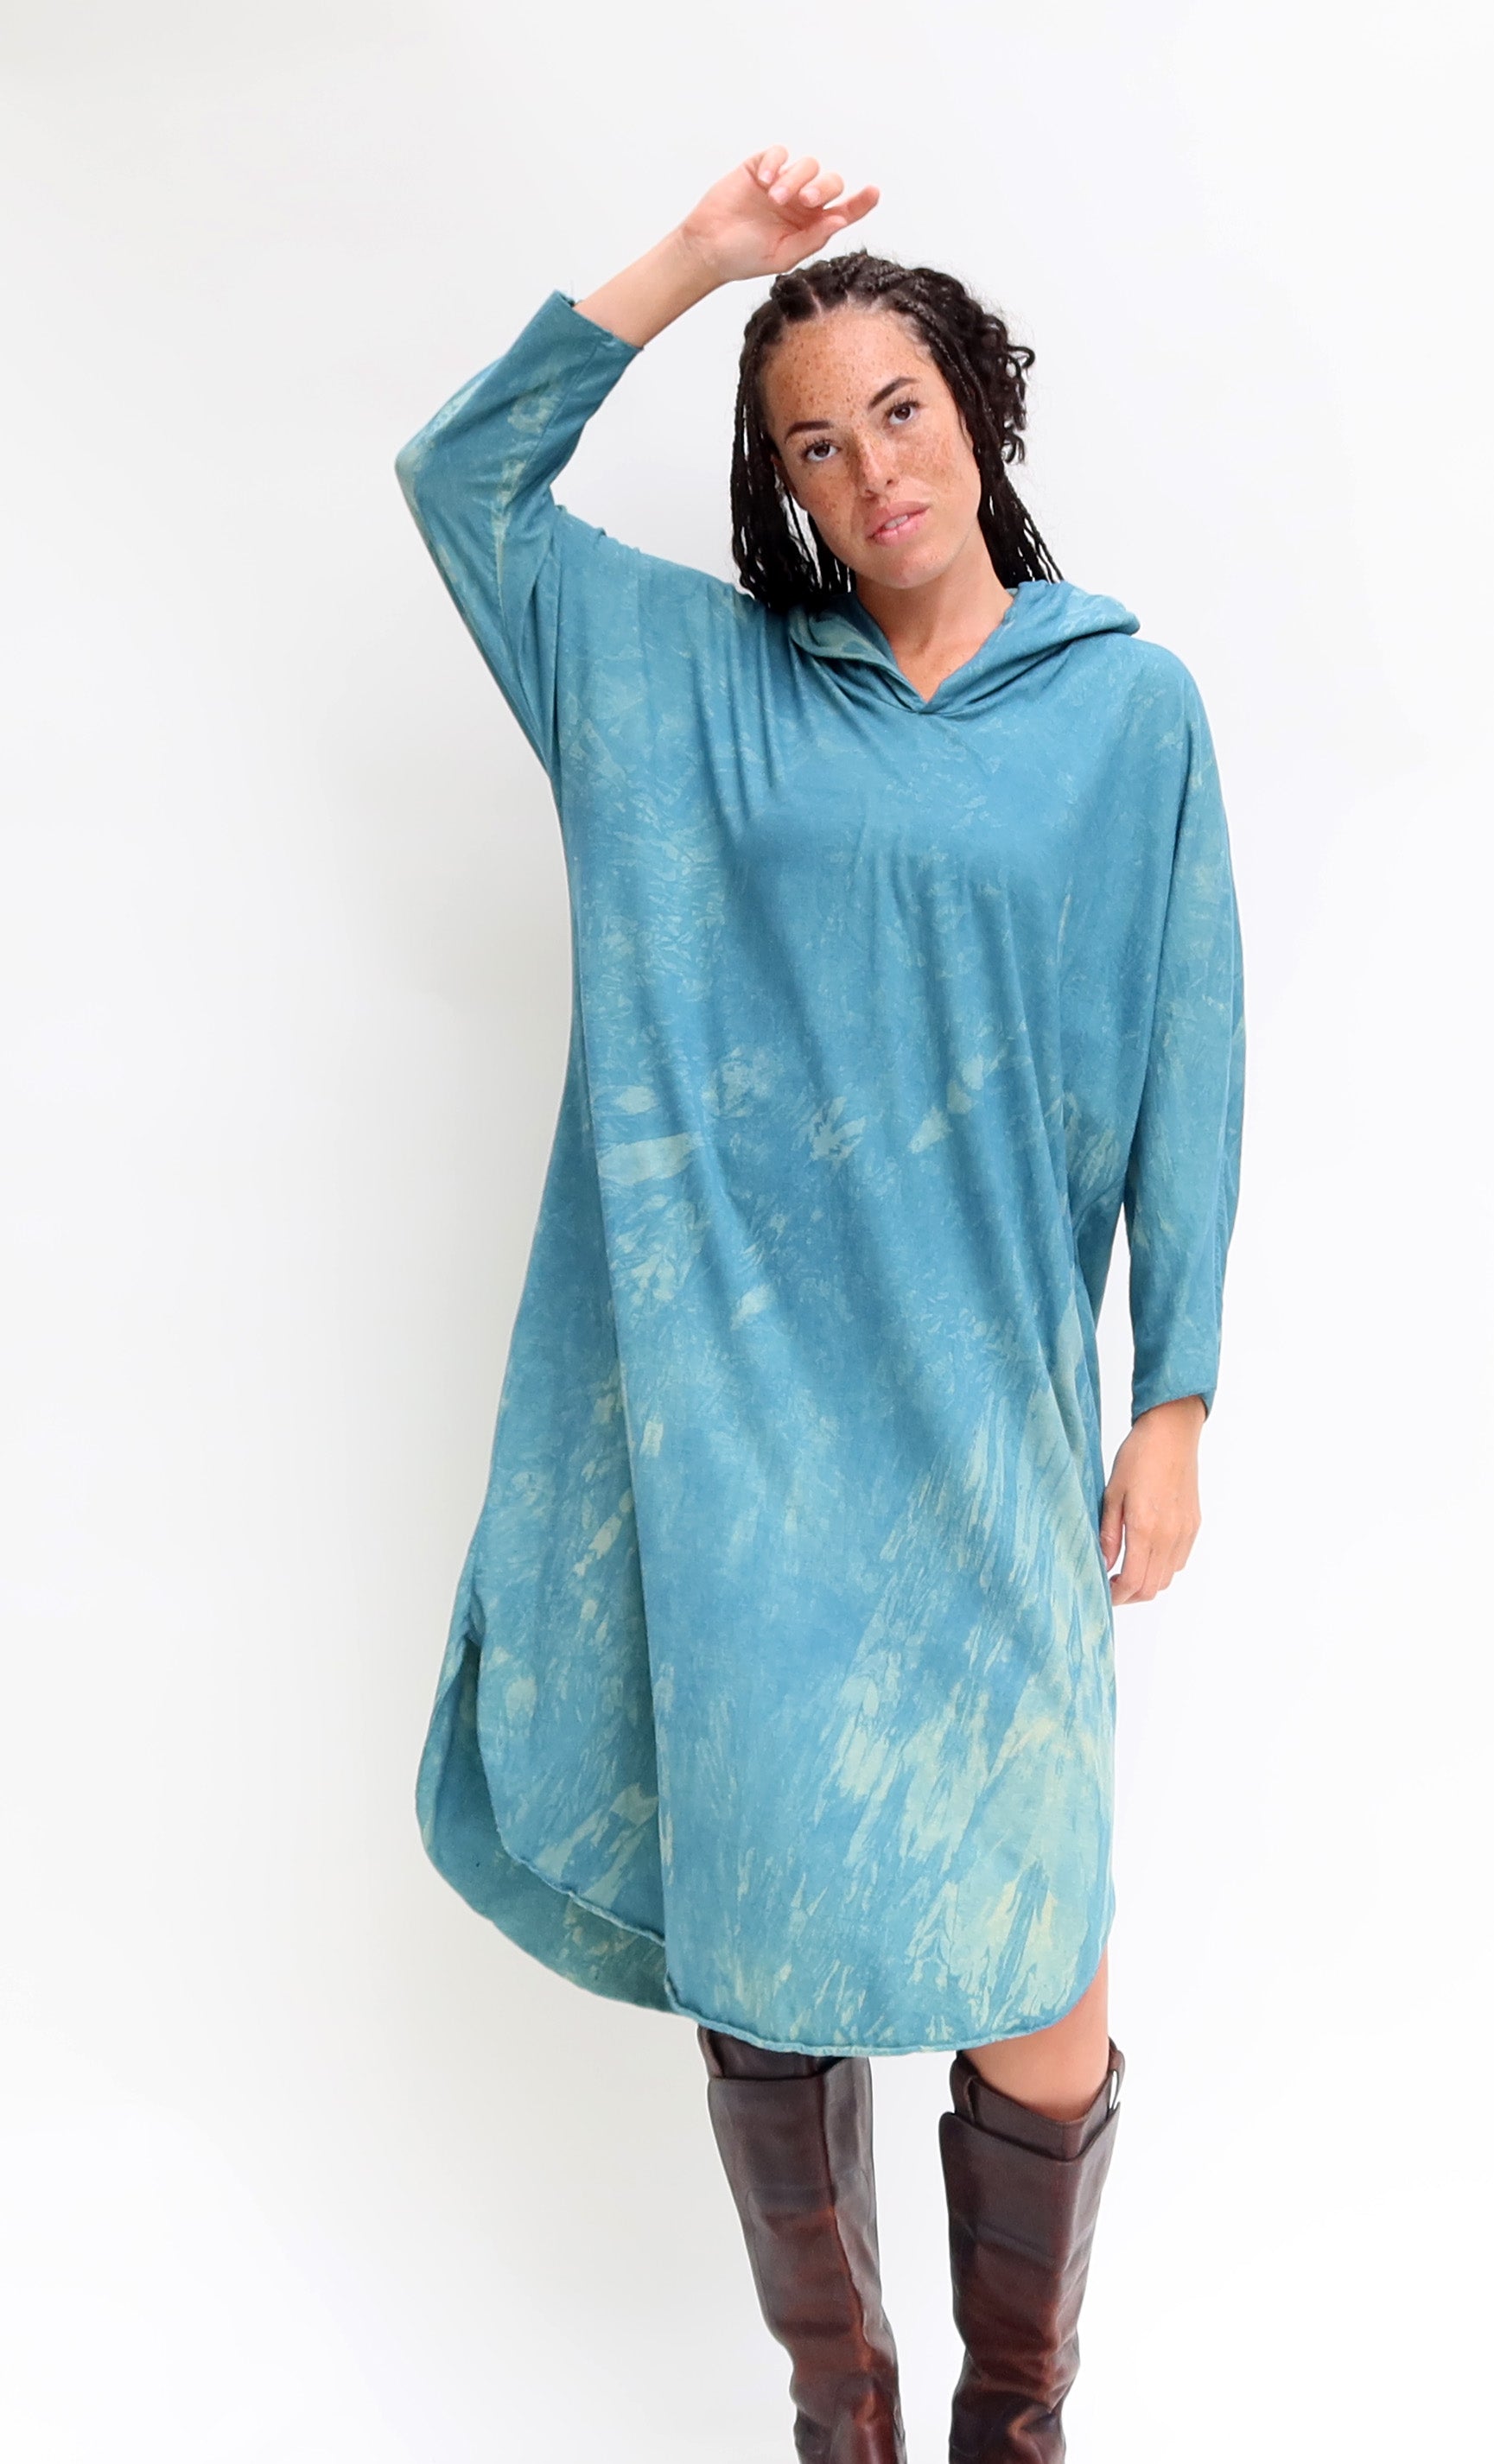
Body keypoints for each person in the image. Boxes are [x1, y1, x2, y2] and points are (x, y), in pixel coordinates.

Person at [395, 143, 1245, 2464]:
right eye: (811, 441)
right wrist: (699, 263)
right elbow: (459, 481)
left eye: (898, 408)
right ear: (778, 489)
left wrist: (1172, 1392)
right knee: (771, 1946)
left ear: (975, 410)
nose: (870, 467)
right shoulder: (702, 680)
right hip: (747, 1433)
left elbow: (1189, 1048)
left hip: (987, 1413)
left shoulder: (1126, 709)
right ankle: (840, 2408)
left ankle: (1016, 2416)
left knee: (1040, 1952)